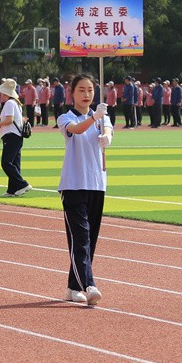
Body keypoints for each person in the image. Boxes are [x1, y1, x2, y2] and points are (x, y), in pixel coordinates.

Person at [57, 73, 112, 306]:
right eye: (81, 90)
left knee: (90, 239)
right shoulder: (65, 117)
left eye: (90, 90)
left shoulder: (103, 118)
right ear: (72, 93)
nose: (86, 94)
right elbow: (77, 130)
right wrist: (94, 118)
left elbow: (108, 132)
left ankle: (73, 286)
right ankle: (89, 284)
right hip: (73, 185)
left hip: (97, 184)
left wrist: (106, 135)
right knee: (80, 238)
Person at [0, 78, 30, 197]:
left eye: (2, 92)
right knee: (14, 163)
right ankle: (12, 189)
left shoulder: (9, 103)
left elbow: (9, 120)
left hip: (11, 136)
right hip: (17, 137)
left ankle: (22, 184)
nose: (1, 94)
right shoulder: (16, 103)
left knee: (6, 163)